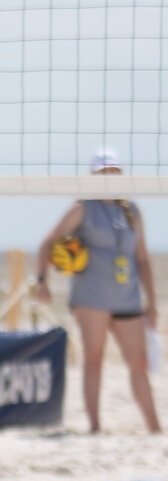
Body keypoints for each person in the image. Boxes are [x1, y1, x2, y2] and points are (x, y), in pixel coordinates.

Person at [34, 150, 160, 433]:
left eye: (114, 171)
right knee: (94, 359)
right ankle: (95, 427)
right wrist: (42, 281)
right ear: (93, 177)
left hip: (127, 296)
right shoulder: (82, 207)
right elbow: (47, 243)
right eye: (104, 172)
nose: (109, 176)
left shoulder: (131, 210)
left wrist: (151, 303)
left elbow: (142, 259)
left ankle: (155, 428)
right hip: (91, 296)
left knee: (138, 362)